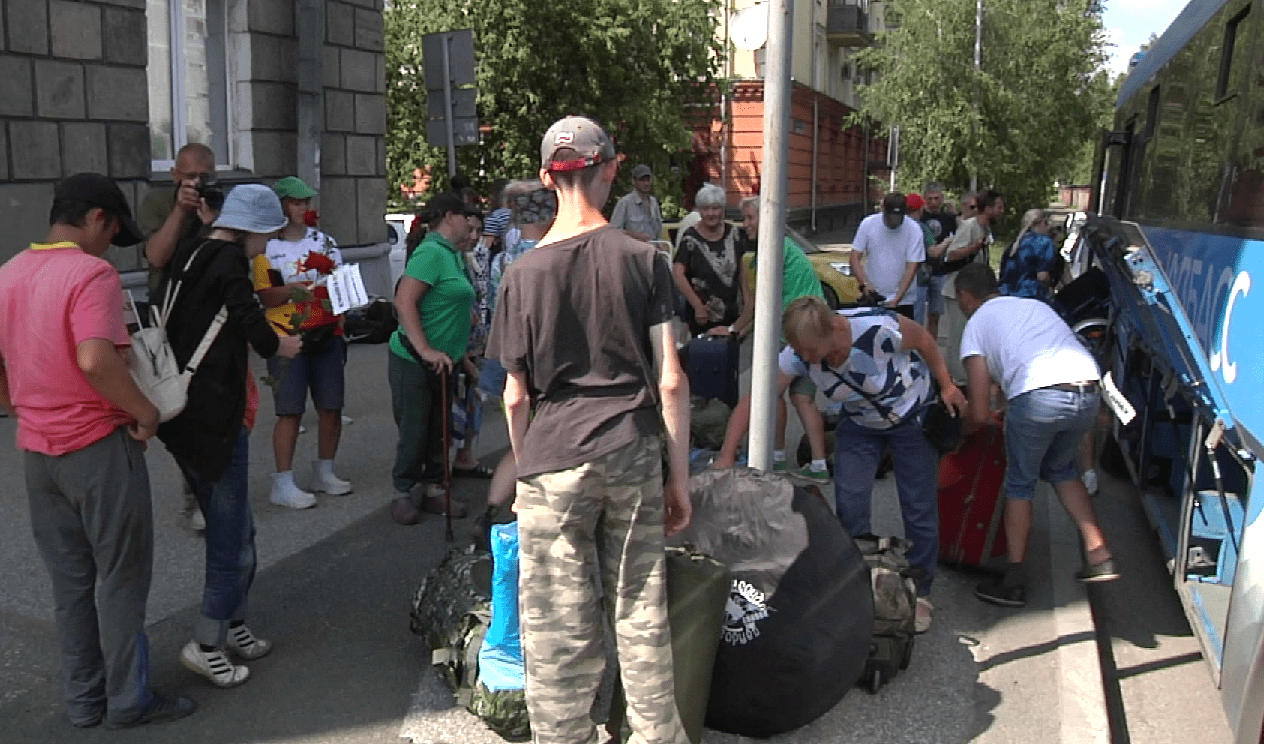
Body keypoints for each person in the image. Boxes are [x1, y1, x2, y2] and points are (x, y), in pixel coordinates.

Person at [486, 115, 692, 744]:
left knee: (557, 639)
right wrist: (677, 480)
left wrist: (527, 474)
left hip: (552, 460)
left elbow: (515, 396)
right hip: (630, 449)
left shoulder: (522, 274)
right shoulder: (645, 259)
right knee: (640, 618)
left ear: (549, 179)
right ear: (609, 170)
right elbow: (672, 382)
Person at [0, 173, 196, 728]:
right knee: (122, 578)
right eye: (113, 230)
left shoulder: (8, 273)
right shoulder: (91, 273)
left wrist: (25, 409)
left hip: (38, 454)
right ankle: (129, 700)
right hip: (98, 448)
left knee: (70, 584)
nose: (111, 243)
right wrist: (145, 411)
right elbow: (95, 359)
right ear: (95, 219)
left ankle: (85, 701)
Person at [155, 184, 302, 688]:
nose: (271, 243)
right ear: (253, 229)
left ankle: (234, 623)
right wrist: (280, 345)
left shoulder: (193, 251)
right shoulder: (228, 262)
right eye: (270, 232)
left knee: (237, 526)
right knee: (229, 535)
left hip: (186, 412)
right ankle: (206, 641)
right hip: (212, 417)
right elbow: (248, 321)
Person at [779, 296, 966, 633]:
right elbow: (758, 395)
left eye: (810, 350)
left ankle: (920, 591)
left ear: (833, 330)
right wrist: (726, 452)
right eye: (800, 352)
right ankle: (858, 580)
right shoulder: (800, 353)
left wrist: (948, 385)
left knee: (918, 507)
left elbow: (924, 339)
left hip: (912, 416)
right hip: (861, 424)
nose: (805, 359)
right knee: (849, 502)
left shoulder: (879, 329)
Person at [955, 263, 1120, 607]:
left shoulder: (976, 325)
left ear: (964, 297)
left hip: (1039, 395)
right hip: (1086, 389)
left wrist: (963, 435)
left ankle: (1013, 581)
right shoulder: (1033, 305)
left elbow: (980, 410)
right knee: (1062, 470)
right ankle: (1099, 554)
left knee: (1020, 483)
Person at [710, 196, 830, 483]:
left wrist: (735, 329)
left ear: (769, 222)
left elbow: (758, 305)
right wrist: (736, 330)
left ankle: (730, 457)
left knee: (760, 394)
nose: (745, 224)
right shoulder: (785, 250)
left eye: (751, 218)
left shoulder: (772, 251)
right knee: (801, 397)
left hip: (793, 335)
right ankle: (814, 463)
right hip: (808, 332)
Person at [252, 176, 352, 509]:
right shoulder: (267, 247)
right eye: (297, 202)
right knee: (290, 410)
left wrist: (342, 312)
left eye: (306, 202)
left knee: (331, 406)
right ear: (282, 207)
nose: (304, 208)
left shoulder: (324, 242)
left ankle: (325, 470)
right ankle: (283, 481)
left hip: (326, 332)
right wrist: (298, 288)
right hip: (287, 334)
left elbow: (340, 282)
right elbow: (266, 295)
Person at [470, 179, 558, 546]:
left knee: (520, 440)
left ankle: (490, 513)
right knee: (543, 443)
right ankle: (533, 517)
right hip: (543, 363)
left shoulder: (504, 258)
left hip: (505, 355)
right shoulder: (553, 258)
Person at [138, 142, 219, 531]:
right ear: (175, 175)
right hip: (168, 320)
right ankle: (195, 491)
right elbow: (156, 256)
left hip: (210, 317)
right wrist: (180, 210)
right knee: (178, 409)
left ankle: (207, 491)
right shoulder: (157, 203)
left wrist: (211, 219)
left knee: (212, 408)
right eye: (190, 176)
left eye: (205, 176)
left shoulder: (219, 203)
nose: (198, 183)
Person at [388, 191, 478, 525]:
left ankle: (435, 490)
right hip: (413, 359)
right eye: (465, 215)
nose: (470, 223)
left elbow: (449, 298)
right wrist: (425, 348)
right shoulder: (431, 253)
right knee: (415, 429)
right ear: (450, 217)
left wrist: (464, 356)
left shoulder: (451, 254)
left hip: (446, 361)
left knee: (440, 429)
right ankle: (403, 491)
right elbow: (404, 301)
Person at [939, 189, 1004, 383]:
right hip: (958, 292)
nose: (1002, 211)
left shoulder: (985, 227)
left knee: (972, 338)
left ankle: (970, 379)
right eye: (999, 207)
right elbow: (950, 254)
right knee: (958, 339)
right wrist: (973, 248)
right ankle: (958, 383)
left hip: (974, 293)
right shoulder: (970, 226)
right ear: (988, 208)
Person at [673, 183, 744, 336]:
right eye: (706, 209)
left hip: (733, 317)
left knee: (730, 357)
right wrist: (697, 305)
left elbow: (741, 272)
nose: (711, 213)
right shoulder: (690, 238)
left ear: (723, 210)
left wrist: (747, 308)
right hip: (702, 318)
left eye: (716, 208)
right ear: (699, 211)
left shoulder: (734, 233)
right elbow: (677, 274)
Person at [849, 192, 925, 319]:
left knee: (901, 337)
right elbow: (855, 257)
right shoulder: (868, 224)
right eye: (891, 217)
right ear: (884, 210)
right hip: (873, 296)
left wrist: (897, 299)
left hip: (903, 301)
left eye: (898, 217)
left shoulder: (914, 230)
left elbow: (912, 267)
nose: (894, 221)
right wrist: (863, 284)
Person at [920, 182, 958, 339]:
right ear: (925, 199)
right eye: (930, 199)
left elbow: (958, 235)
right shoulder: (919, 217)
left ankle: (931, 348)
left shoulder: (947, 218)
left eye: (937, 198)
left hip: (939, 271)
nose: (934, 202)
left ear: (942, 199)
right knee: (915, 313)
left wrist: (955, 214)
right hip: (920, 271)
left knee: (935, 315)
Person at [998, 208, 1059, 300]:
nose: (1048, 227)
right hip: (1030, 294)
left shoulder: (1014, 244)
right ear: (1040, 223)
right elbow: (1042, 276)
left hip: (1006, 294)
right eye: (1046, 222)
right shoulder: (1045, 242)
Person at [609, 163, 663, 243]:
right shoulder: (625, 202)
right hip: (633, 251)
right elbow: (613, 231)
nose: (646, 183)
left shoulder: (654, 202)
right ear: (634, 181)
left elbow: (658, 233)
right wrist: (634, 235)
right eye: (642, 180)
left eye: (648, 180)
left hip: (652, 251)